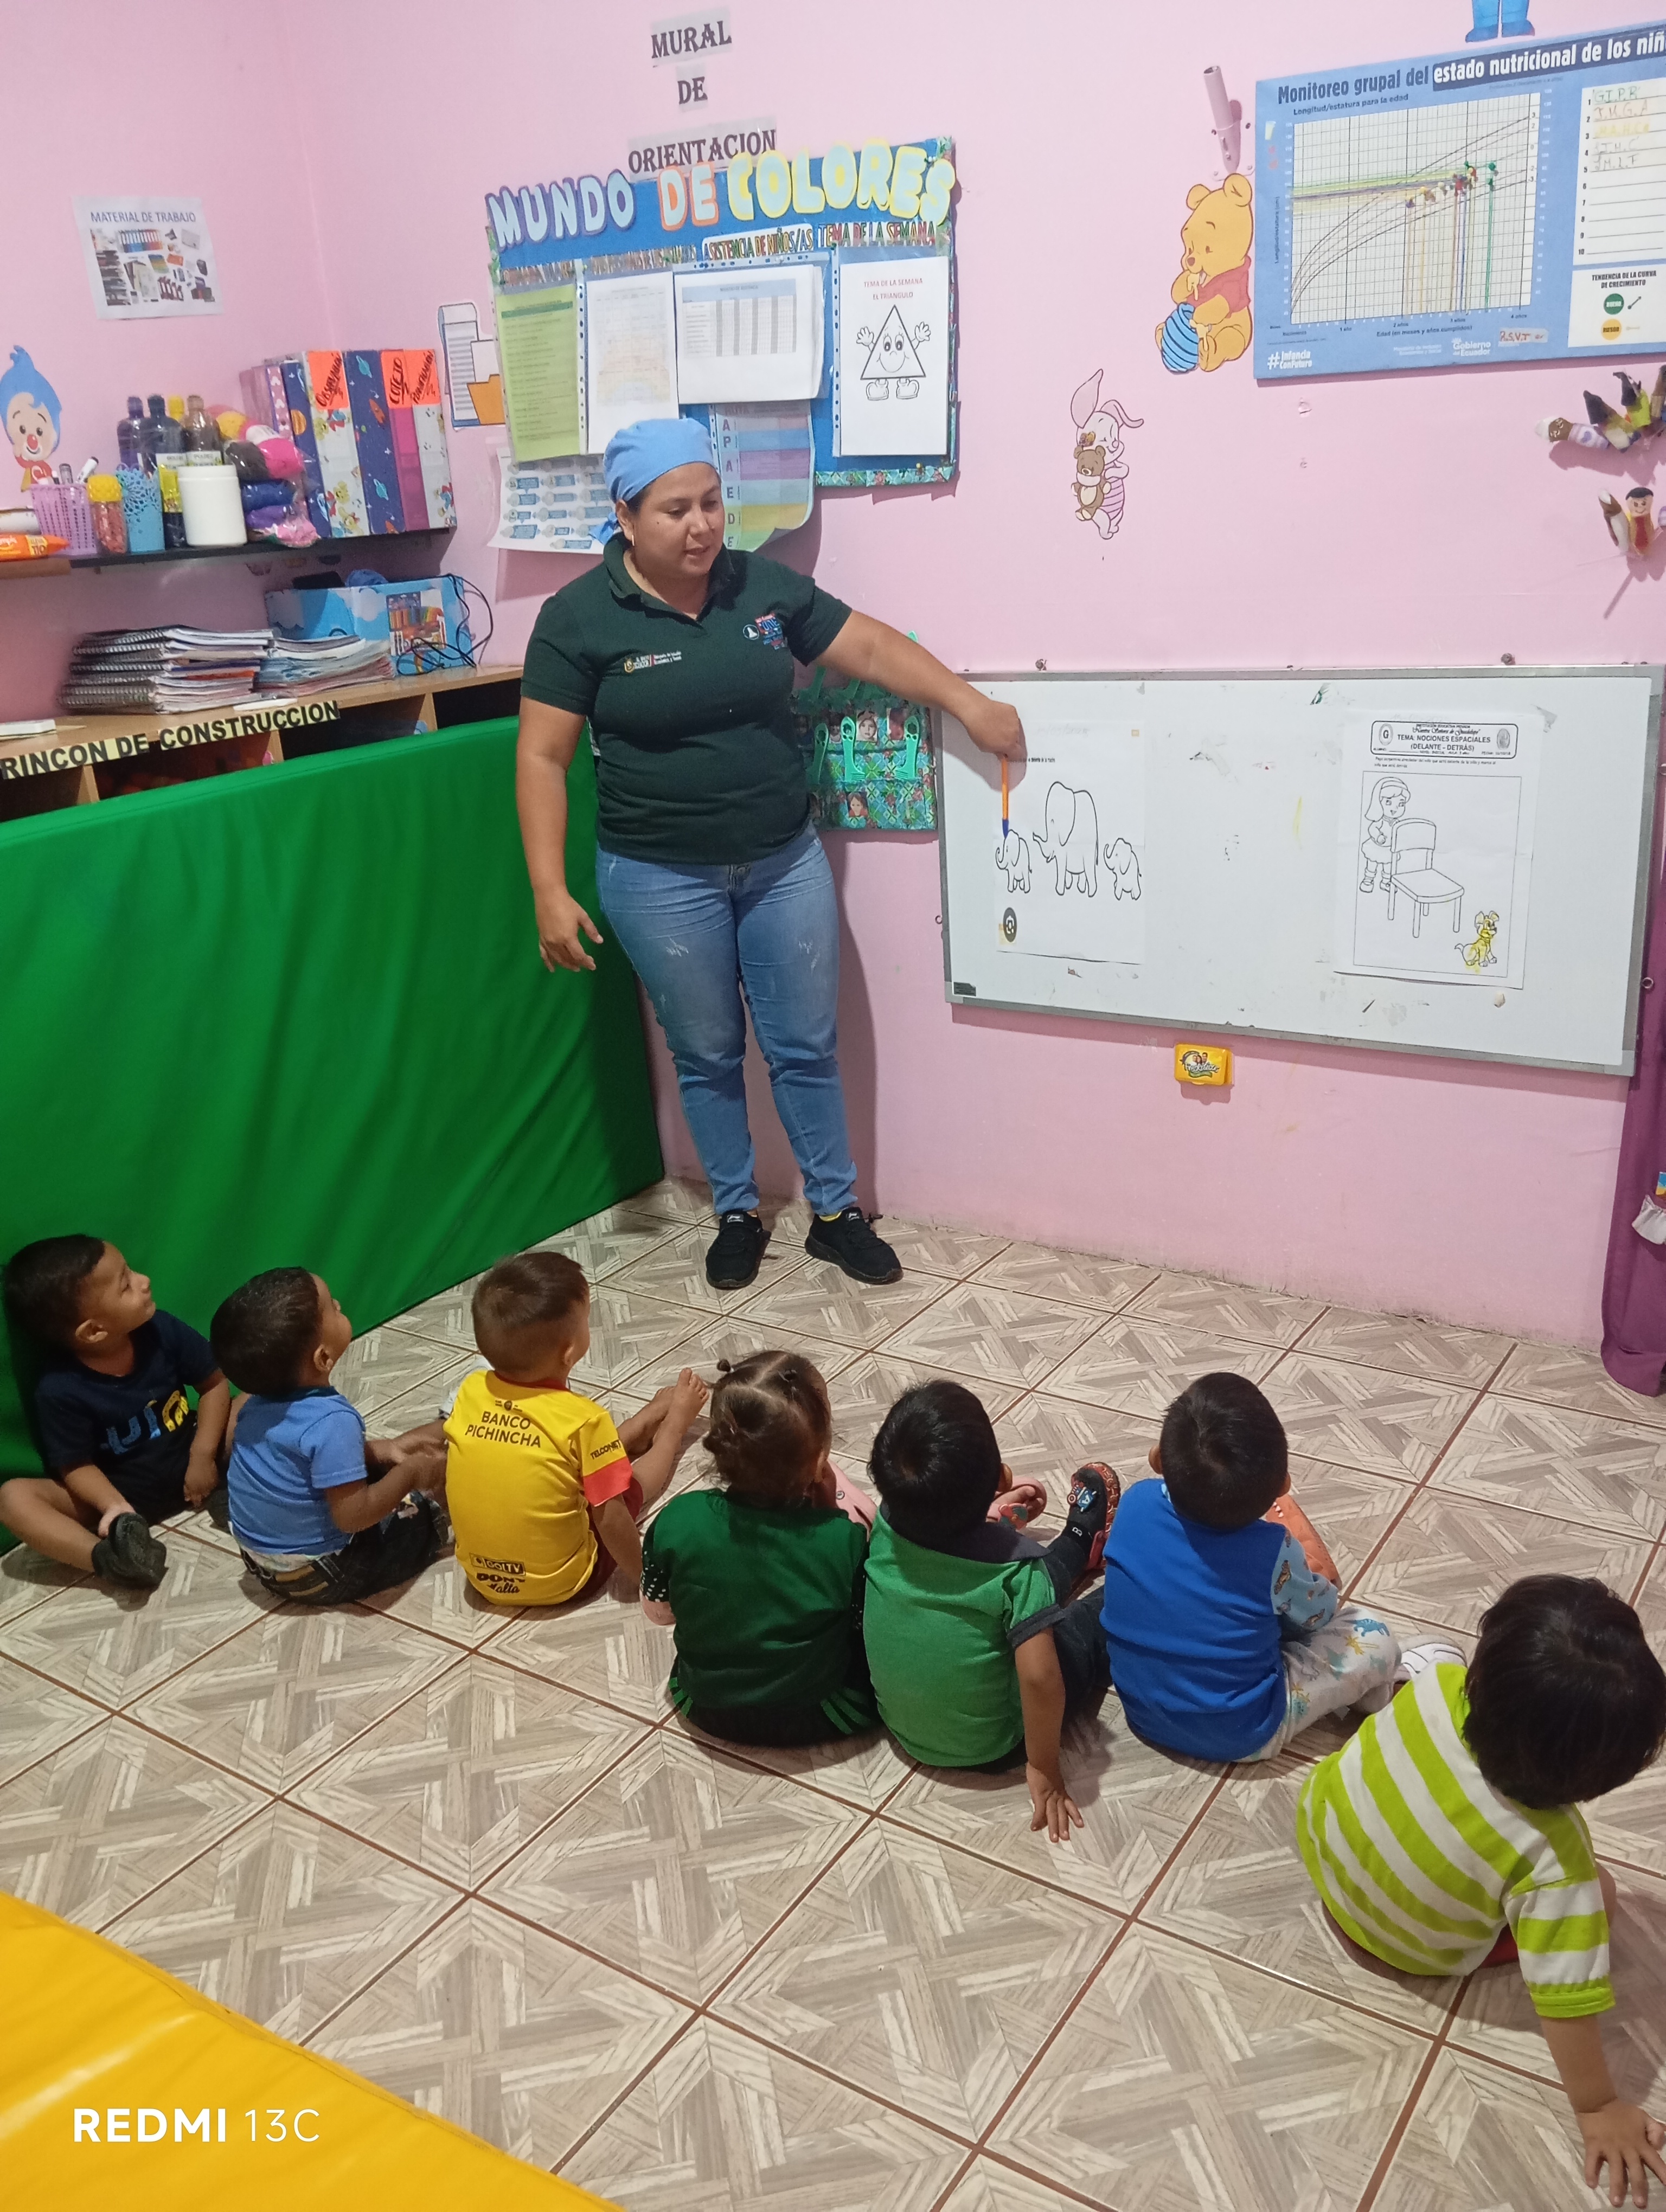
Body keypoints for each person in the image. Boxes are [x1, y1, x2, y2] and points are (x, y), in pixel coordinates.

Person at [515, 415, 1027, 1294]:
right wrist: (547, 888)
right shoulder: (577, 619)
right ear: (625, 516)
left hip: (782, 862)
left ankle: (835, 1213)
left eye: (711, 503)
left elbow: (869, 645)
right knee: (707, 1051)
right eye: (675, 509)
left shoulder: (758, 587)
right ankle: (737, 1212)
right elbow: (540, 757)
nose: (701, 526)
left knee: (804, 1044)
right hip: (656, 877)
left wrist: (967, 703)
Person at [1298, 1577, 1666, 2210]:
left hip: (1322, 1849)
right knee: (1600, 1894)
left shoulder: (1434, 1687)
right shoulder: (1556, 1860)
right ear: (1600, 1779)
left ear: (1478, 1676)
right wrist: (1598, 2106)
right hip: (1409, 1946)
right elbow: (1565, 2004)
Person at [861, 1378, 1118, 1842]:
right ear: (1001, 1478)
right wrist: (1043, 1764)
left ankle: (1079, 1545)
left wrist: (996, 1519)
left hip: (904, 1730)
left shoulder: (886, 1525)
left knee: (1027, 1581)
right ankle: (1118, 1574)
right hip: (999, 1744)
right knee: (1086, 1624)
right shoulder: (1017, 1573)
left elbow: (953, 1559)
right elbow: (1040, 1679)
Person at [1100, 1371, 1399, 1761]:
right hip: (1244, 1731)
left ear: (1157, 1459)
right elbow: (1318, 1616)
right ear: (1282, 1487)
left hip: (1143, 1714)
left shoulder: (1134, 1503)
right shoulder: (1274, 1551)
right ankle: (1377, 1694)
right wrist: (1317, 1583)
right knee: (1372, 1634)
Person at [640, 1349, 876, 1745]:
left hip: (701, 1703)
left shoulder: (678, 1519)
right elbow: (863, 1628)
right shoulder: (844, 1540)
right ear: (820, 1460)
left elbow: (659, 1613)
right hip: (820, 1713)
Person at [443, 1250, 706, 1604]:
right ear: (569, 1352)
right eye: (586, 1320)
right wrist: (649, 1583)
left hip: (482, 1580)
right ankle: (673, 1423)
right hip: (564, 1584)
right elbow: (611, 1520)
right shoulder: (584, 1419)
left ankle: (645, 1419)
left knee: (570, 1456)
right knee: (628, 1487)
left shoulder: (470, 1391)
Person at [1, 1236, 229, 1587]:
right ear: (94, 1331)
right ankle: (114, 1561)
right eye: (126, 1285)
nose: (144, 1281)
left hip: (197, 1460)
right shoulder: (59, 1388)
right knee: (14, 1498)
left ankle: (245, 1490)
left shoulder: (161, 1329)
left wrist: (203, 1457)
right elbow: (75, 1465)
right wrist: (115, 1507)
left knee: (254, 1403)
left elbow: (214, 1384)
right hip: (122, 1497)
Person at [212, 1268, 448, 1604]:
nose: (338, 1304)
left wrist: (381, 1449)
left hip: (263, 1565)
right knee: (425, 1506)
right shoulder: (333, 1421)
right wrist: (411, 1474)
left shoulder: (252, 1404)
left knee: (381, 1465)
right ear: (323, 1358)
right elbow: (353, 1517)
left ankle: (418, 1443)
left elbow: (297, 1459)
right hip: (323, 1574)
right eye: (330, 1308)